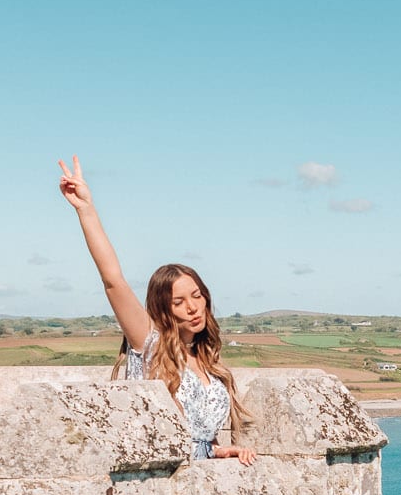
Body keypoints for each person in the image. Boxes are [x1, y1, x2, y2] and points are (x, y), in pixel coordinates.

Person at [57, 155, 255, 464]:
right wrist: (86, 209)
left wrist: (222, 450)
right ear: (163, 310)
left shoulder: (209, 364)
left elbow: (203, 440)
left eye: (197, 295)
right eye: (178, 302)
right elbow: (113, 281)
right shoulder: (150, 345)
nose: (192, 307)